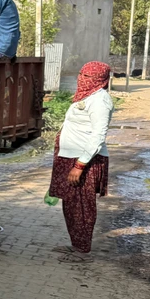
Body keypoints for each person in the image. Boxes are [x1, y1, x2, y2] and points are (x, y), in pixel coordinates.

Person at [49, 61, 114, 262]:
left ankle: (83, 251)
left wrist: (79, 165)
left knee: (83, 206)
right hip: (69, 158)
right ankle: (75, 244)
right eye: (81, 75)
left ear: (100, 80)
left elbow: (97, 136)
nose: (82, 80)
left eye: (88, 77)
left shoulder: (100, 101)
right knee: (70, 204)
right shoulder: (86, 96)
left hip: (85, 161)